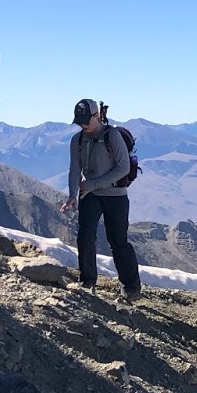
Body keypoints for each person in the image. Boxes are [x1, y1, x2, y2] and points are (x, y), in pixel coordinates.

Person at [64, 98, 142, 301]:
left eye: (86, 120)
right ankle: (87, 282)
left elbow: (123, 168)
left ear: (96, 116)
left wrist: (93, 184)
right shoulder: (78, 140)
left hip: (115, 195)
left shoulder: (112, 137)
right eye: (79, 121)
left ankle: (131, 287)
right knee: (85, 236)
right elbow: (74, 169)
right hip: (90, 195)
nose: (83, 125)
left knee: (118, 241)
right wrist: (73, 195)